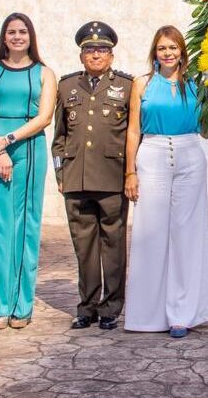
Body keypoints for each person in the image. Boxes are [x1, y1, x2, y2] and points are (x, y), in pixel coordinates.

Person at [123, 25, 208, 337]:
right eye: (162, 48)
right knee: (151, 232)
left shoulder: (196, 85)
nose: (168, 53)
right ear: (155, 53)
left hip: (189, 152)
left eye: (173, 48)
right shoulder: (142, 84)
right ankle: (147, 315)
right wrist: (130, 171)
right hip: (153, 152)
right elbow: (133, 130)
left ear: (182, 51)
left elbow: (206, 130)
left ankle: (182, 314)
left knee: (187, 234)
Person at [0, 13, 56, 330]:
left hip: (28, 149)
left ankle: (22, 305)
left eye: (23, 32)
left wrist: (8, 141)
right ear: (3, 37)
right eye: (11, 32)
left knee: (26, 225)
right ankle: (0, 304)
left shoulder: (44, 73)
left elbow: (45, 116)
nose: (17, 37)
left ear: (31, 36)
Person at [51, 21, 133, 331]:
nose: (95, 54)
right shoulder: (67, 86)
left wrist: (130, 173)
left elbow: (131, 135)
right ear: (81, 55)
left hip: (112, 178)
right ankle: (86, 307)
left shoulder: (126, 86)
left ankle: (111, 307)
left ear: (111, 55)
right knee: (83, 247)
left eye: (101, 50)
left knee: (113, 246)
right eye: (89, 50)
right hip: (76, 178)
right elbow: (59, 135)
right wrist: (61, 173)